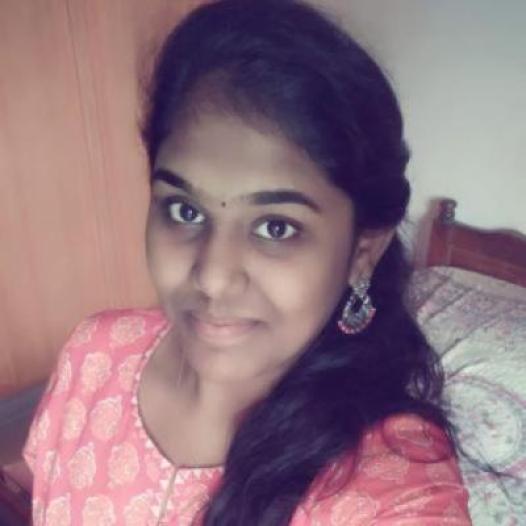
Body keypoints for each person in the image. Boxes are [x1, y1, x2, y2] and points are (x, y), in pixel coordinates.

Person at [23, 0, 472, 524]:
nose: (213, 277)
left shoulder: (389, 477)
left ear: (361, 252)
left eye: (275, 227)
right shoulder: (94, 354)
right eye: (185, 210)